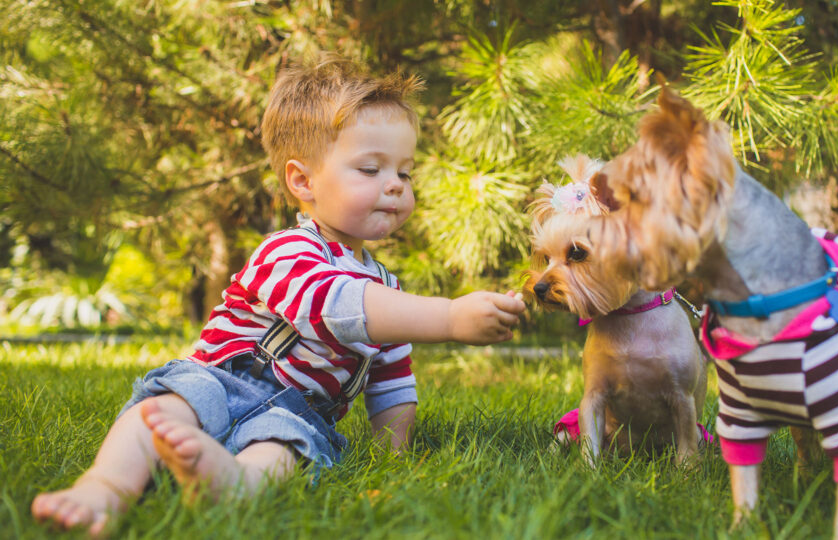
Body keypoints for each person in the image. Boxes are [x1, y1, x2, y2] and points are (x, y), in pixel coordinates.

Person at [31, 54, 526, 536]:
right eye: (371, 170)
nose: (395, 186)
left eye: (405, 172)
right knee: (161, 410)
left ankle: (232, 483)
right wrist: (448, 317)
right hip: (221, 381)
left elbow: (391, 382)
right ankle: (104, 487)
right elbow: (334, 306)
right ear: (303, 181)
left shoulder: (390, 291)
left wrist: (392, 453)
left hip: (297, 410)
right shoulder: (288, 251)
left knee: (285, 448)